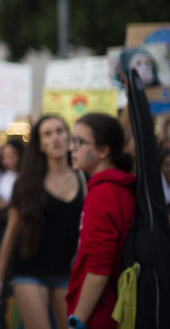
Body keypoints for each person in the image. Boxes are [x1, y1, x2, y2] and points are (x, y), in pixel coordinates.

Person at [0, 115, 83, 329]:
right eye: (47, 134)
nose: (55, 138)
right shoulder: (27, 182)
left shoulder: (84, 178)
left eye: (59, 131)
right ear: (39, 144)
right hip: (30, 271)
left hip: (68, 272)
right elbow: (10, 235)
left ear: (69, 137)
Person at [66, 113, 136, 329]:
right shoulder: (112, 188)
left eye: (79, 142)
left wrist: (78, 320)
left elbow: (99, 269)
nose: (71, 148)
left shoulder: (104, 193)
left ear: (104, 151)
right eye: (72, 140)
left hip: (100, 314)